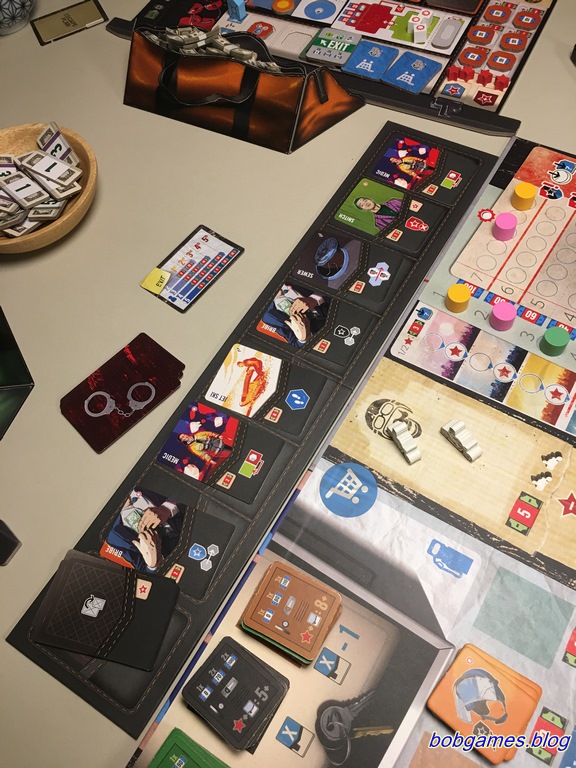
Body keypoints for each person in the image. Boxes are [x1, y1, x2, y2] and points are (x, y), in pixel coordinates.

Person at [260, 284, 330, 347]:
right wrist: (303, 339)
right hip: (325, 330)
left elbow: (331, 283)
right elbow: (295, 345)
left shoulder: (288, 277)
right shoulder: (268, 317)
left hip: (332, 305)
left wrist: (315, 299)